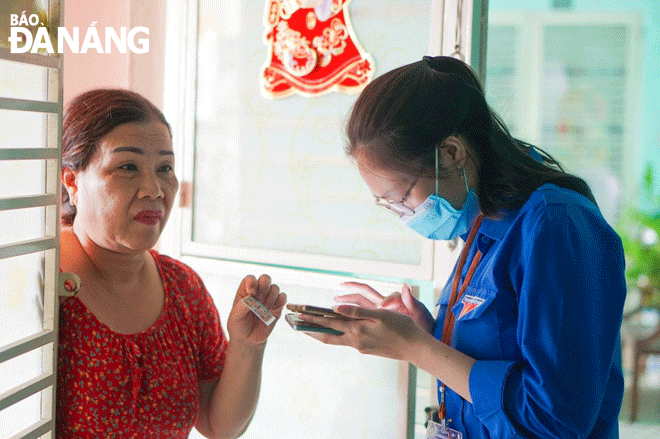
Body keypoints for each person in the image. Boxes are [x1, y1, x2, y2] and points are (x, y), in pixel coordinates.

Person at [297, 56, 626, 438]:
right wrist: (430, 331)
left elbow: (555, 419)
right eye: (387, 206)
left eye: (401, 196)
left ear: (452, 152)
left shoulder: (556, 223)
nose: (405, 215)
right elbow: (497, 352)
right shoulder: (484, 222)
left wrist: (416, 347)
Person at [57, 88, 287, 438]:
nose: (154, 189)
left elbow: (217, 425)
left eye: (165, 167)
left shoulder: (182, 287)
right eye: (128, 167)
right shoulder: (39, 279)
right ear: (72, 181)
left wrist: (247, 346)